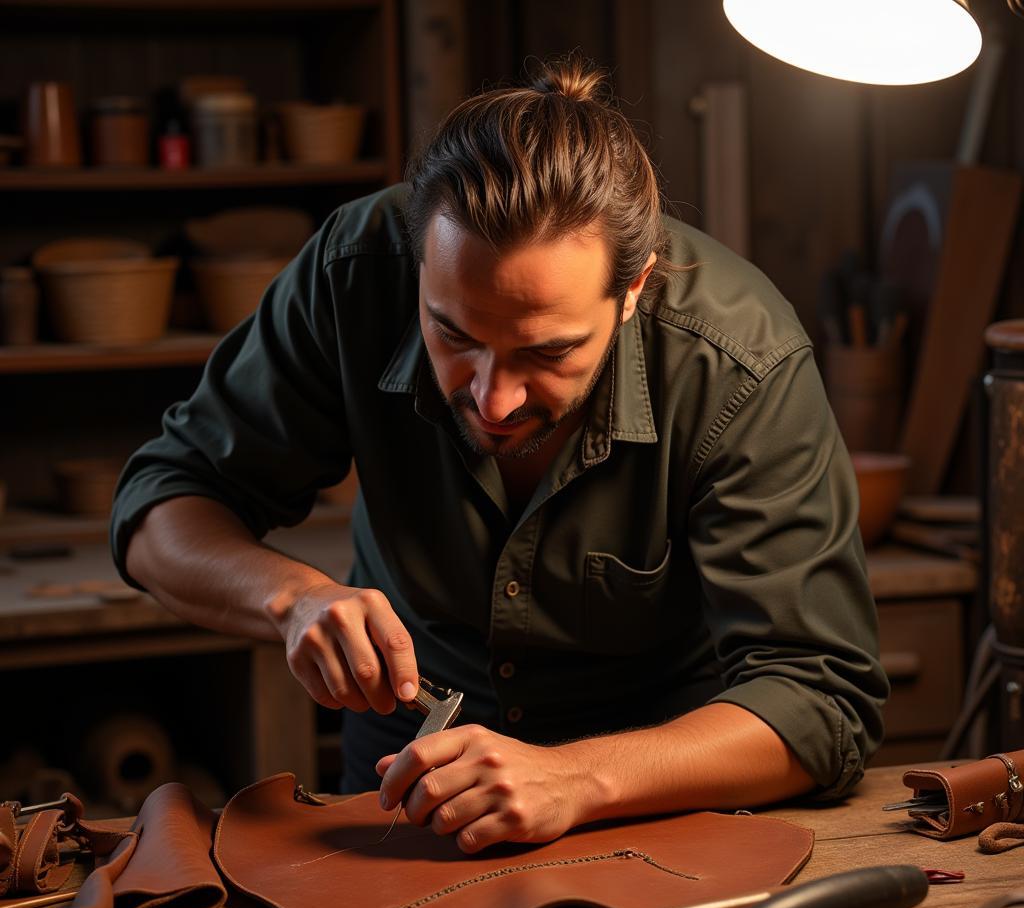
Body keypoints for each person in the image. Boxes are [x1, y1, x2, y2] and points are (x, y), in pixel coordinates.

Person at [111, 57, 888, 854]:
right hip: (398, 805)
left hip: (661, 813)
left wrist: (577, 778)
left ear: (634, 291)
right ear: (418, 265)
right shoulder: (352, 273)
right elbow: (159, 506)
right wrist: (291, 599)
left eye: (549, 352)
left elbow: (824, 700)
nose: (493, 400)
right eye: (453, 335)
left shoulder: (741, 360)